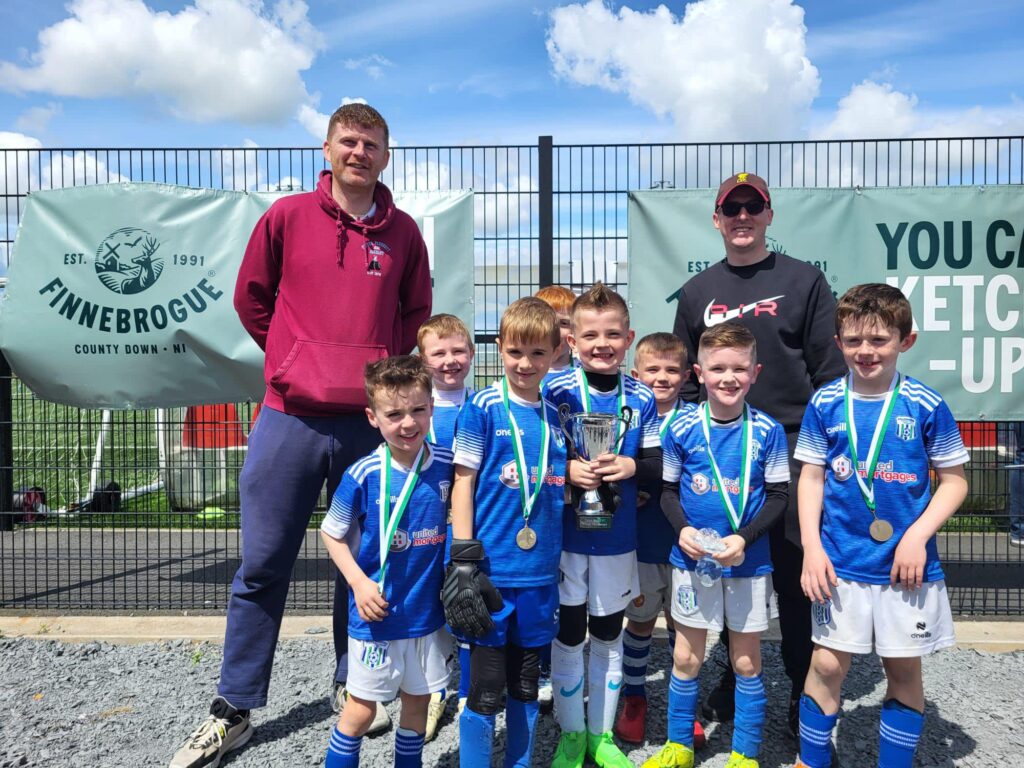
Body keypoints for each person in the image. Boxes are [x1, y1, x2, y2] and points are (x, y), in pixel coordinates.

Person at [169, 103, 431, 768]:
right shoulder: (286, 217)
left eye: (372, 143)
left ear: (387, 154)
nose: (360, 152)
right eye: (349, 141)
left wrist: (369, 379)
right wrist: (293, 359)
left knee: (364, 566)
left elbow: (415, 313)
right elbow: (250, 298)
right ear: (327, 147)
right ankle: (234, 709)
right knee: (262, 566)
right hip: (287, 416)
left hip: (364, 428)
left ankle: (357, 683)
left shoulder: (403, 233)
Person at [672, 172, 846, 735]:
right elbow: (688, 382)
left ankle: (802, 688)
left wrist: (822, 449)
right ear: (717, 218)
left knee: (796, 571)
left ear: (769, 215)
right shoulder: (699, 291)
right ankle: (732, 673)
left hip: (790, 444)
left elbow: (829, 371)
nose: (742, 215)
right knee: (724, 566)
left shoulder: (804, 280)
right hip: (719, 453)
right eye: (732, 207)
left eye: (754, 206)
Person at [792, 283, 969, 768]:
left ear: (904, 341)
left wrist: (917, 535)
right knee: (826, 664)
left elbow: (954, 482)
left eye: (878, 340)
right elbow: (811, 477)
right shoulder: (826, 402)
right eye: (853, 341)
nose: (865, 351)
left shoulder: (925, 405)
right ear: (838, 342)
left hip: (904, 569)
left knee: (903, 670)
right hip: (839, 562)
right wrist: (812, 547)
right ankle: (810, 760)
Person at [644, 322, 789, 768]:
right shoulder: (682, 427)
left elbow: (780, 496)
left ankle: (744, 753)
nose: (728, 377)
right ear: (699, 373)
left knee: (745, 661)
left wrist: (744, 539)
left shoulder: (769, 431)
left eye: (738, 369)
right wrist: (682, 530)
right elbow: (668, 492)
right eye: (718, 368)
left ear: (755, 372)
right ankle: (678, 747)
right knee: (687, 656)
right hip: (691, 560)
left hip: (748, 563)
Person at [445, 297, 566, 767]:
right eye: (516, 352)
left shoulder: (556, 416)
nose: (525, 363)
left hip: (539, 574)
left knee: (526, 683)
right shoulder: (483, 408)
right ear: (499, 348)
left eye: (538, 354)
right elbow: (463, 481)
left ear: (555, 353)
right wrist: (463, 557)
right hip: (491, 572)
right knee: (487, 686)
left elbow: (552, 486)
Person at [545, 282, 661, 768]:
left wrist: (632, 467)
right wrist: (566, 470)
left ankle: (602, 735)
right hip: (566, 537)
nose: (602, 345)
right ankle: (572, 733)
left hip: (617, 539)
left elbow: (656, 460)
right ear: (571, 340)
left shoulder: (643, 397)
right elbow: (536, 459)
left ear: (629, 337)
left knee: (609, 633)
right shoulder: (554, 392)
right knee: (570, 634)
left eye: (613, 334)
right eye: (590, 335)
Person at [319, 355, 452, 768]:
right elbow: (330, 532)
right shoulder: (363, 474)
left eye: (417, 410)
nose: (408, 423)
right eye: (394, 414)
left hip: (427, 616)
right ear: (373, 417)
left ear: (431, 406)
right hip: (377, 617)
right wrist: (359, 584)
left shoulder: (449, 466)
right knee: (361, 710)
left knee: (418, 702)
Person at [615, 332, 704, 748]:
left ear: (687, 375)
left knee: (685, 630)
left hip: (686, 544)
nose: (662, 378)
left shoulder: (697, 420)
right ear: (636, 374)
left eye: (672, 370)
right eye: (653, 370)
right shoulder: (627, 417)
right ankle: (634, 699)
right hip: (644, 542)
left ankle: (683, 708)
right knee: (641, 622)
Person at [417, 313, 475, 735]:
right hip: (426, 527)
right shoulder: (417, 411)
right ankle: (433, 690)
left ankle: (473, 691)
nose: (450, 361)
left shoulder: (485, 405)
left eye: (458, 351)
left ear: (472, 354)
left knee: (468, 601)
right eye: (439, 353)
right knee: (431, 607)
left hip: (468, 527)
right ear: (423, 360)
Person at [534, 283, 577, 713]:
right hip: (538, 501)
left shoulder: (584, 380)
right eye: (551, 323)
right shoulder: (528, 377)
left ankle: (567, 666)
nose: (558, 332)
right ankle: (541, 666)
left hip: (578, 501)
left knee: (569, 590)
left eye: (565, 323)